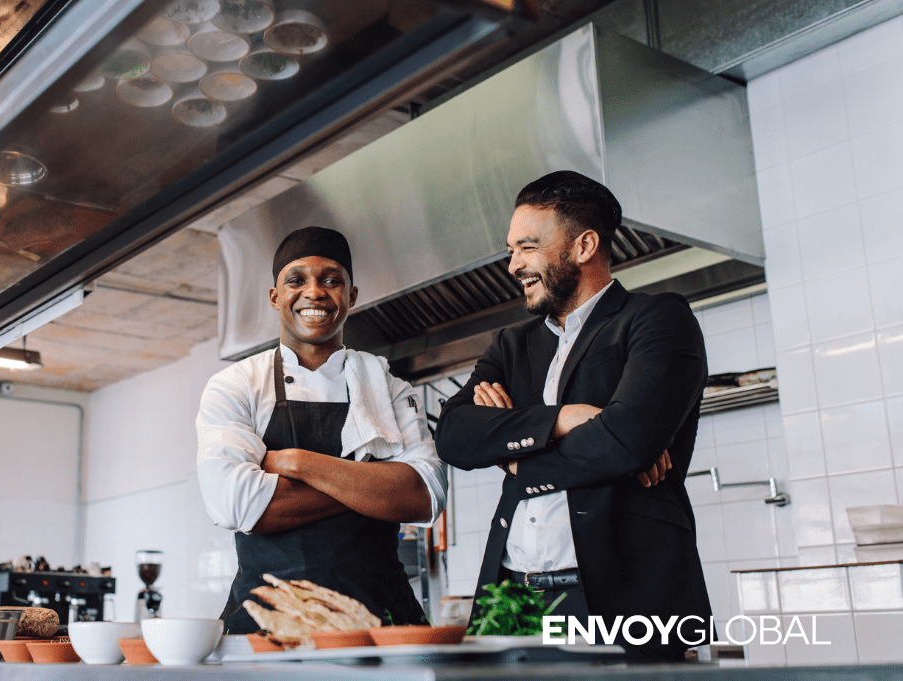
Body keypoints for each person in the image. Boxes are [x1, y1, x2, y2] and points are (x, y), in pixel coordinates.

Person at [434, 171, 712, 661]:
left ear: (584, 246)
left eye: (527, 247)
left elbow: (626, 439)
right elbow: (455, 437)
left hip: (623, 598)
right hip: (513, 598)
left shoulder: (656, 319)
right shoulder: (512, 344)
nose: (513, 264)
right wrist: (560, 420)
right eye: (511, 250)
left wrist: (515, 456)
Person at [197, 226, 448, 633]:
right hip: (269, 621)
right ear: (275, 297)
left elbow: (424, 496)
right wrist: (373, 485)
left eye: (332, 280)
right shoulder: (237, 385)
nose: (314, 291)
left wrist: (296, 463)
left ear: (351, 295)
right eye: (296, 280)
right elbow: (237, 506)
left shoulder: (388, 386)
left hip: (380, 619)